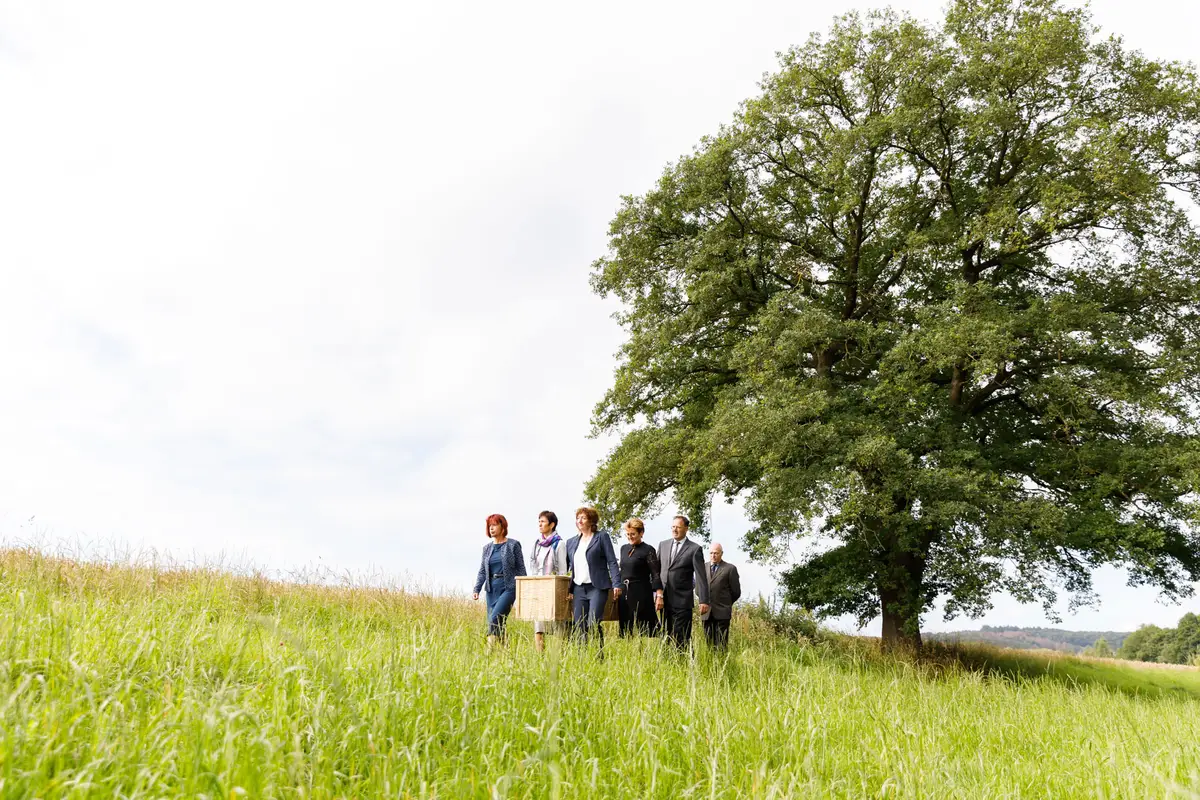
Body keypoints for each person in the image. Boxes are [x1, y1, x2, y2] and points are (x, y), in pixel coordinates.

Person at [565, 506, 622, 651]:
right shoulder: (571, 542)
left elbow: (612, 561)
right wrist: (569, 588)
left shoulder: (601, 537)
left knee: (593, 623)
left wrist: (617, 583)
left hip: (597, 587)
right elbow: (569, 566)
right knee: (579, 625)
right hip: (578, 588)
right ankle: (582, 658)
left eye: (583, 518)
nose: (580, 521)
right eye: (578, 518)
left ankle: (598, 656)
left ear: (591, 521)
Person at [656, 515, 709, 650]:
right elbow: (656, 571)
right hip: (664, 599)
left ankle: (684, 665)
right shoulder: (663, 545)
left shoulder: (694, 549)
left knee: (681, 637)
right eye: (673, 527)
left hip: (682, 601)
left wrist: (703, 600)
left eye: (678, 527)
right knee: (665, 636)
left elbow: (701, 576)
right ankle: (667, 665)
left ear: (686, 528)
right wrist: (657, 593)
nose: (675, 530)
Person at [472, 513, 526, 646]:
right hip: (491, 590)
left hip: (508, 588)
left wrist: (523, 590)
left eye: (495, 525)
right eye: (490, 525)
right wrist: (477, 588)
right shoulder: (487, 548)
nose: (491, 528)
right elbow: (483, 570)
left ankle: (488, 653)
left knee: (494, 619)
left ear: (503, 527)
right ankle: (505, 653)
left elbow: (521, 568)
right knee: (499, 623)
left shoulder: (513, 545)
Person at [528, 510, 568, 652]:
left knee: (557, 625)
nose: (540, 524)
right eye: (539, 521)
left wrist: (560, 590)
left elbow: (562, 569)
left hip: (554, 588)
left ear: (552, 525)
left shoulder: (559, 544)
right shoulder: (537, 543)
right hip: (539, 587)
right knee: (539, 626)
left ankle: (559, 657)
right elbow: (532, 562)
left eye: (543, 521)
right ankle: (541, 659)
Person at [618, 517, 662, 637]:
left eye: (633, 534)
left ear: (641, 533)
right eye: (627, 534)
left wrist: (659, 595)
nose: (630, 537)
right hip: (624, 592)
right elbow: (622, 571)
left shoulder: (648, 550)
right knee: (625, 629)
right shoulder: (623, 549)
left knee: (647, 629)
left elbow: (655, 574)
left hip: (641, 593)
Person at [702, 543, 741, 649]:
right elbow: (698, 588)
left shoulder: (730, 568)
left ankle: (722, 664)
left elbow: (736, 592)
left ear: (721, 554)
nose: (713, 555)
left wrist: (726, 603)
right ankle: (709, 664)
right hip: (706, 612)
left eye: (716, 553)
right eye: (711, 553)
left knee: (721, 644)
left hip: (722, 612)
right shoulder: (703, 567)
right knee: (708, 644)